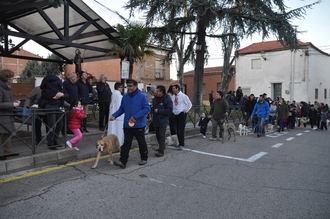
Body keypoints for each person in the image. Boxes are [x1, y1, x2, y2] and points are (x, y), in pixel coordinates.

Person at [110, 79, 150, 169]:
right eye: (128, 86)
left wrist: (135, 116)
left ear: (136, 86)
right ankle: (122, 161)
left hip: (138, 125)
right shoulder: (125, 96)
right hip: (127, 125)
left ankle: (144, 158)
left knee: (141, 142)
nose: (129, 88)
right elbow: (121, 109)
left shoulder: (142, 96)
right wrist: (114, 115)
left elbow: (147, 109)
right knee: (126, 143)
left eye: (131, 86)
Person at [38, 71, 64, 149]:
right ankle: (51, 142)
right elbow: (46, 95)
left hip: (54, 106)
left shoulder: (49, 84)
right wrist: (56, 96)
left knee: (55, 125)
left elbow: (65, 94)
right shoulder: (55, 83)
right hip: (51, 106)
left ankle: (53, 141)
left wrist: (61, 95)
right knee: (54, 125)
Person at [0, 69, 20, 157]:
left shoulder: (6, 87)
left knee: (7, 134)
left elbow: (8, 99)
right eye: (12, 78)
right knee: (3, 134)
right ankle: (3, 153)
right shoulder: (1, 88)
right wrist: (12, 104)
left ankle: (7, 152)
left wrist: (15, 101)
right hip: (2, 116)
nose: (13, 79)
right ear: (6, 78)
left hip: (7, 115)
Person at [152, 85, 173, 157]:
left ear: (162, 92)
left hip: (163, 120)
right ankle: (161, 147)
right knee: (157, 135)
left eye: (158, 91)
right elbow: (153, 108)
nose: (156, 92)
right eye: (156, 91)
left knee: (161, 135)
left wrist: (159, 111)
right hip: (156, 120)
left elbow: (169, 110)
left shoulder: (167, 98)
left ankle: (161, 151)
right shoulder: (155, 98)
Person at [171, 84, 192, 150]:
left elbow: (189, 104)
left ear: (177, 88)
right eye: (172, 88)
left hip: (181, 114)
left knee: (181, 129)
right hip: (174, 114)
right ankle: (178, 142)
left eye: (174, 88)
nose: (173, 89)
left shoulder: (183, 96)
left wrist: (186, 110)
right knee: (176, 129)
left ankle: (181, 144)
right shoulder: (173, 96)